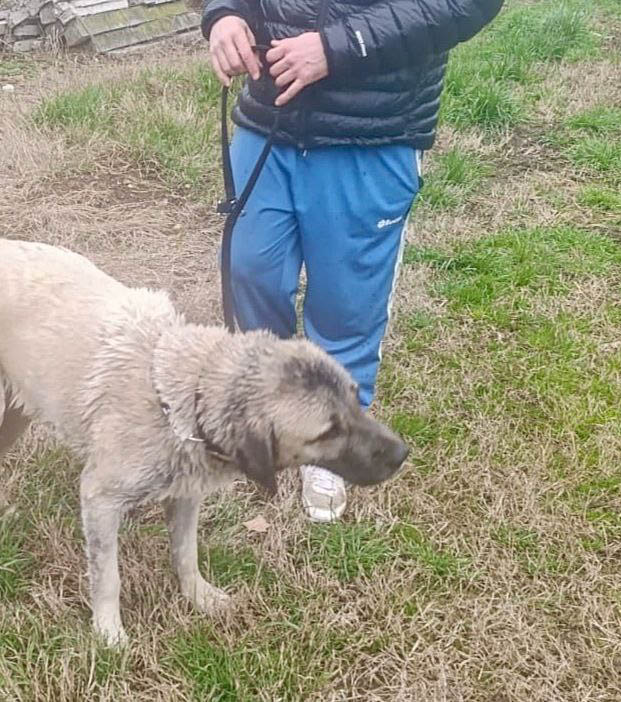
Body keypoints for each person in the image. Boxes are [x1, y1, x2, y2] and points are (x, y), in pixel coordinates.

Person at [201, 0, 503, 521]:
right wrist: (224, 15)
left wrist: (338, 47)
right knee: (250, 272)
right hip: (267, 120)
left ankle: (335, 439)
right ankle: (263, 420)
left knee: (347, 301)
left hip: (372, 130)